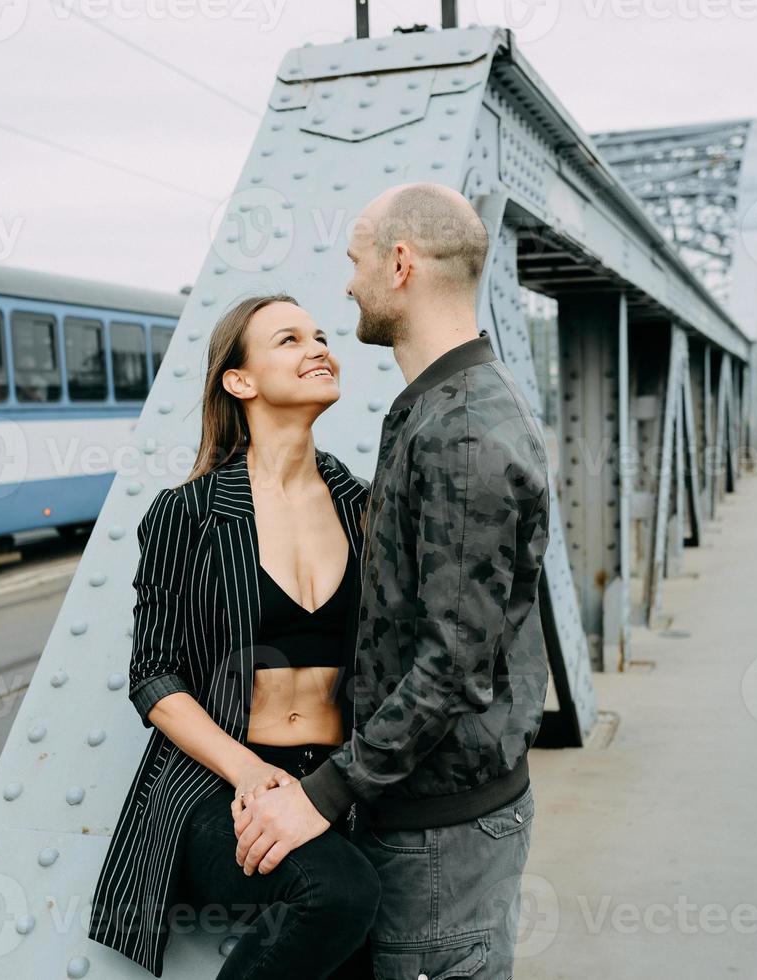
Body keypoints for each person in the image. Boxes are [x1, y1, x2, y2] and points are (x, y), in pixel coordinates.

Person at [232, 183, 551, 980]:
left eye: (356, 261)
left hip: (442, 837)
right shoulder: (436, 408)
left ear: (400, 264)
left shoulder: (462, 431)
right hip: (425, 816)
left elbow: (451, 667)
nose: (348, 284)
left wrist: (320, 795)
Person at [88, 293, 380, 979]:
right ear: (239, 381)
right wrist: (249, 773)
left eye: (320, 335)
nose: (318, 349)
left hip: (333, 779)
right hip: (220, 783)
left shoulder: (366, 507)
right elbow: (154, 676)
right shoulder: (186, 513)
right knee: (338, 892)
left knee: (359, 957)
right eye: (289, 340)